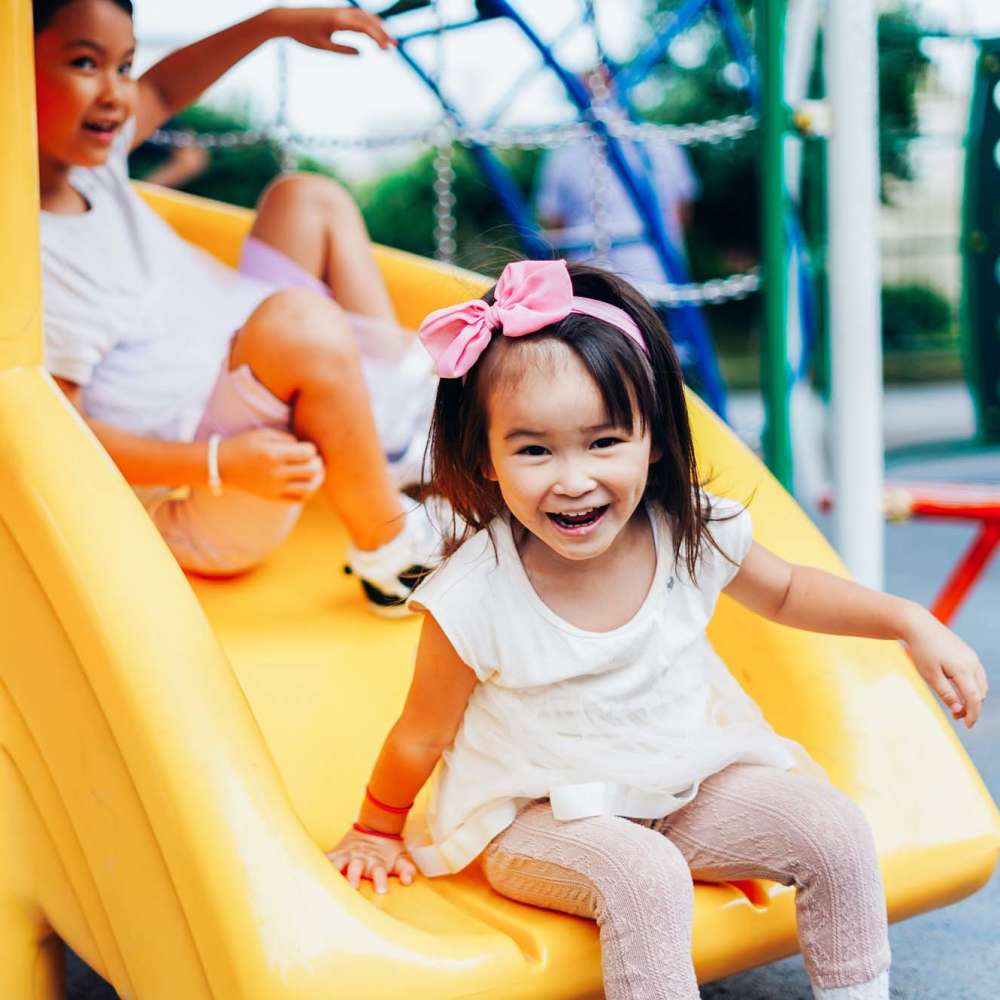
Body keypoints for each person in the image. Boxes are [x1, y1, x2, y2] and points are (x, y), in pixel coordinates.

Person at [328, 259, 989, 1000]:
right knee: (644, 878)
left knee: (832, 830)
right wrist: (376, 829)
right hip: (536, 819)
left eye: (604, 442)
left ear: (655, 440)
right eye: (535, 449)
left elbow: (791, 591)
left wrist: (909, 621)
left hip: (682, 785)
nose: (573, 478)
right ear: (485, 458)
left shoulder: (686, 530)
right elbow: (422, 732)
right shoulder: (476, 595)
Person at [34, 0, 438, 613]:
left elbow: (164, 90)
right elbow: (56, 436)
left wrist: (273, 22)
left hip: (237, 359)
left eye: (123, 65)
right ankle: (391, 554)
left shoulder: (90, 162)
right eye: (85, 63)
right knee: (299, 323)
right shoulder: (30, 253)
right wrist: (221, 462)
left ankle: (396, 419)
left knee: (306, 199)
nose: (117, 93)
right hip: (205, 490)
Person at [535, 70, 699, 285]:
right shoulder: (563, 156)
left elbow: (681, 213)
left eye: (603, 86)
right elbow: (553, 226)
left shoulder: (660, 146)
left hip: (655, 281)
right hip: (592, 287)